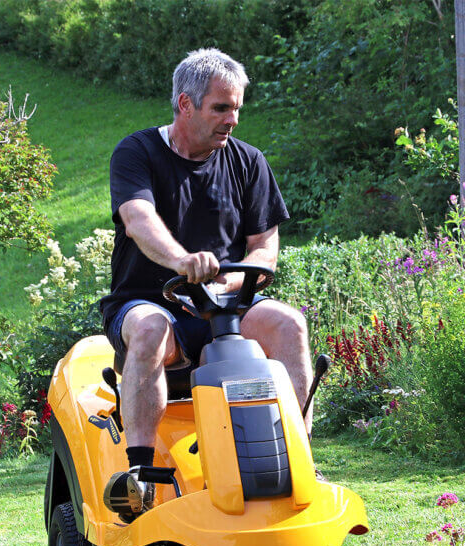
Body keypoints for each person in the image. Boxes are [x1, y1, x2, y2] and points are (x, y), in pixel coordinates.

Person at [100, 48, 312, 514]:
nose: (232, 119)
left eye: (237, 108)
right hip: (147, 302)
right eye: (221, 108)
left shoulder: (248, 162)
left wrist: (233, 283)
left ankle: (300, 457)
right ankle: (140, 475)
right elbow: (138, 220)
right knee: (151, 328)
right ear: (185, 104)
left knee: (289, 323)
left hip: (226, 308)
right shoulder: (137, 153)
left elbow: (264, 247)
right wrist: (181, 262)